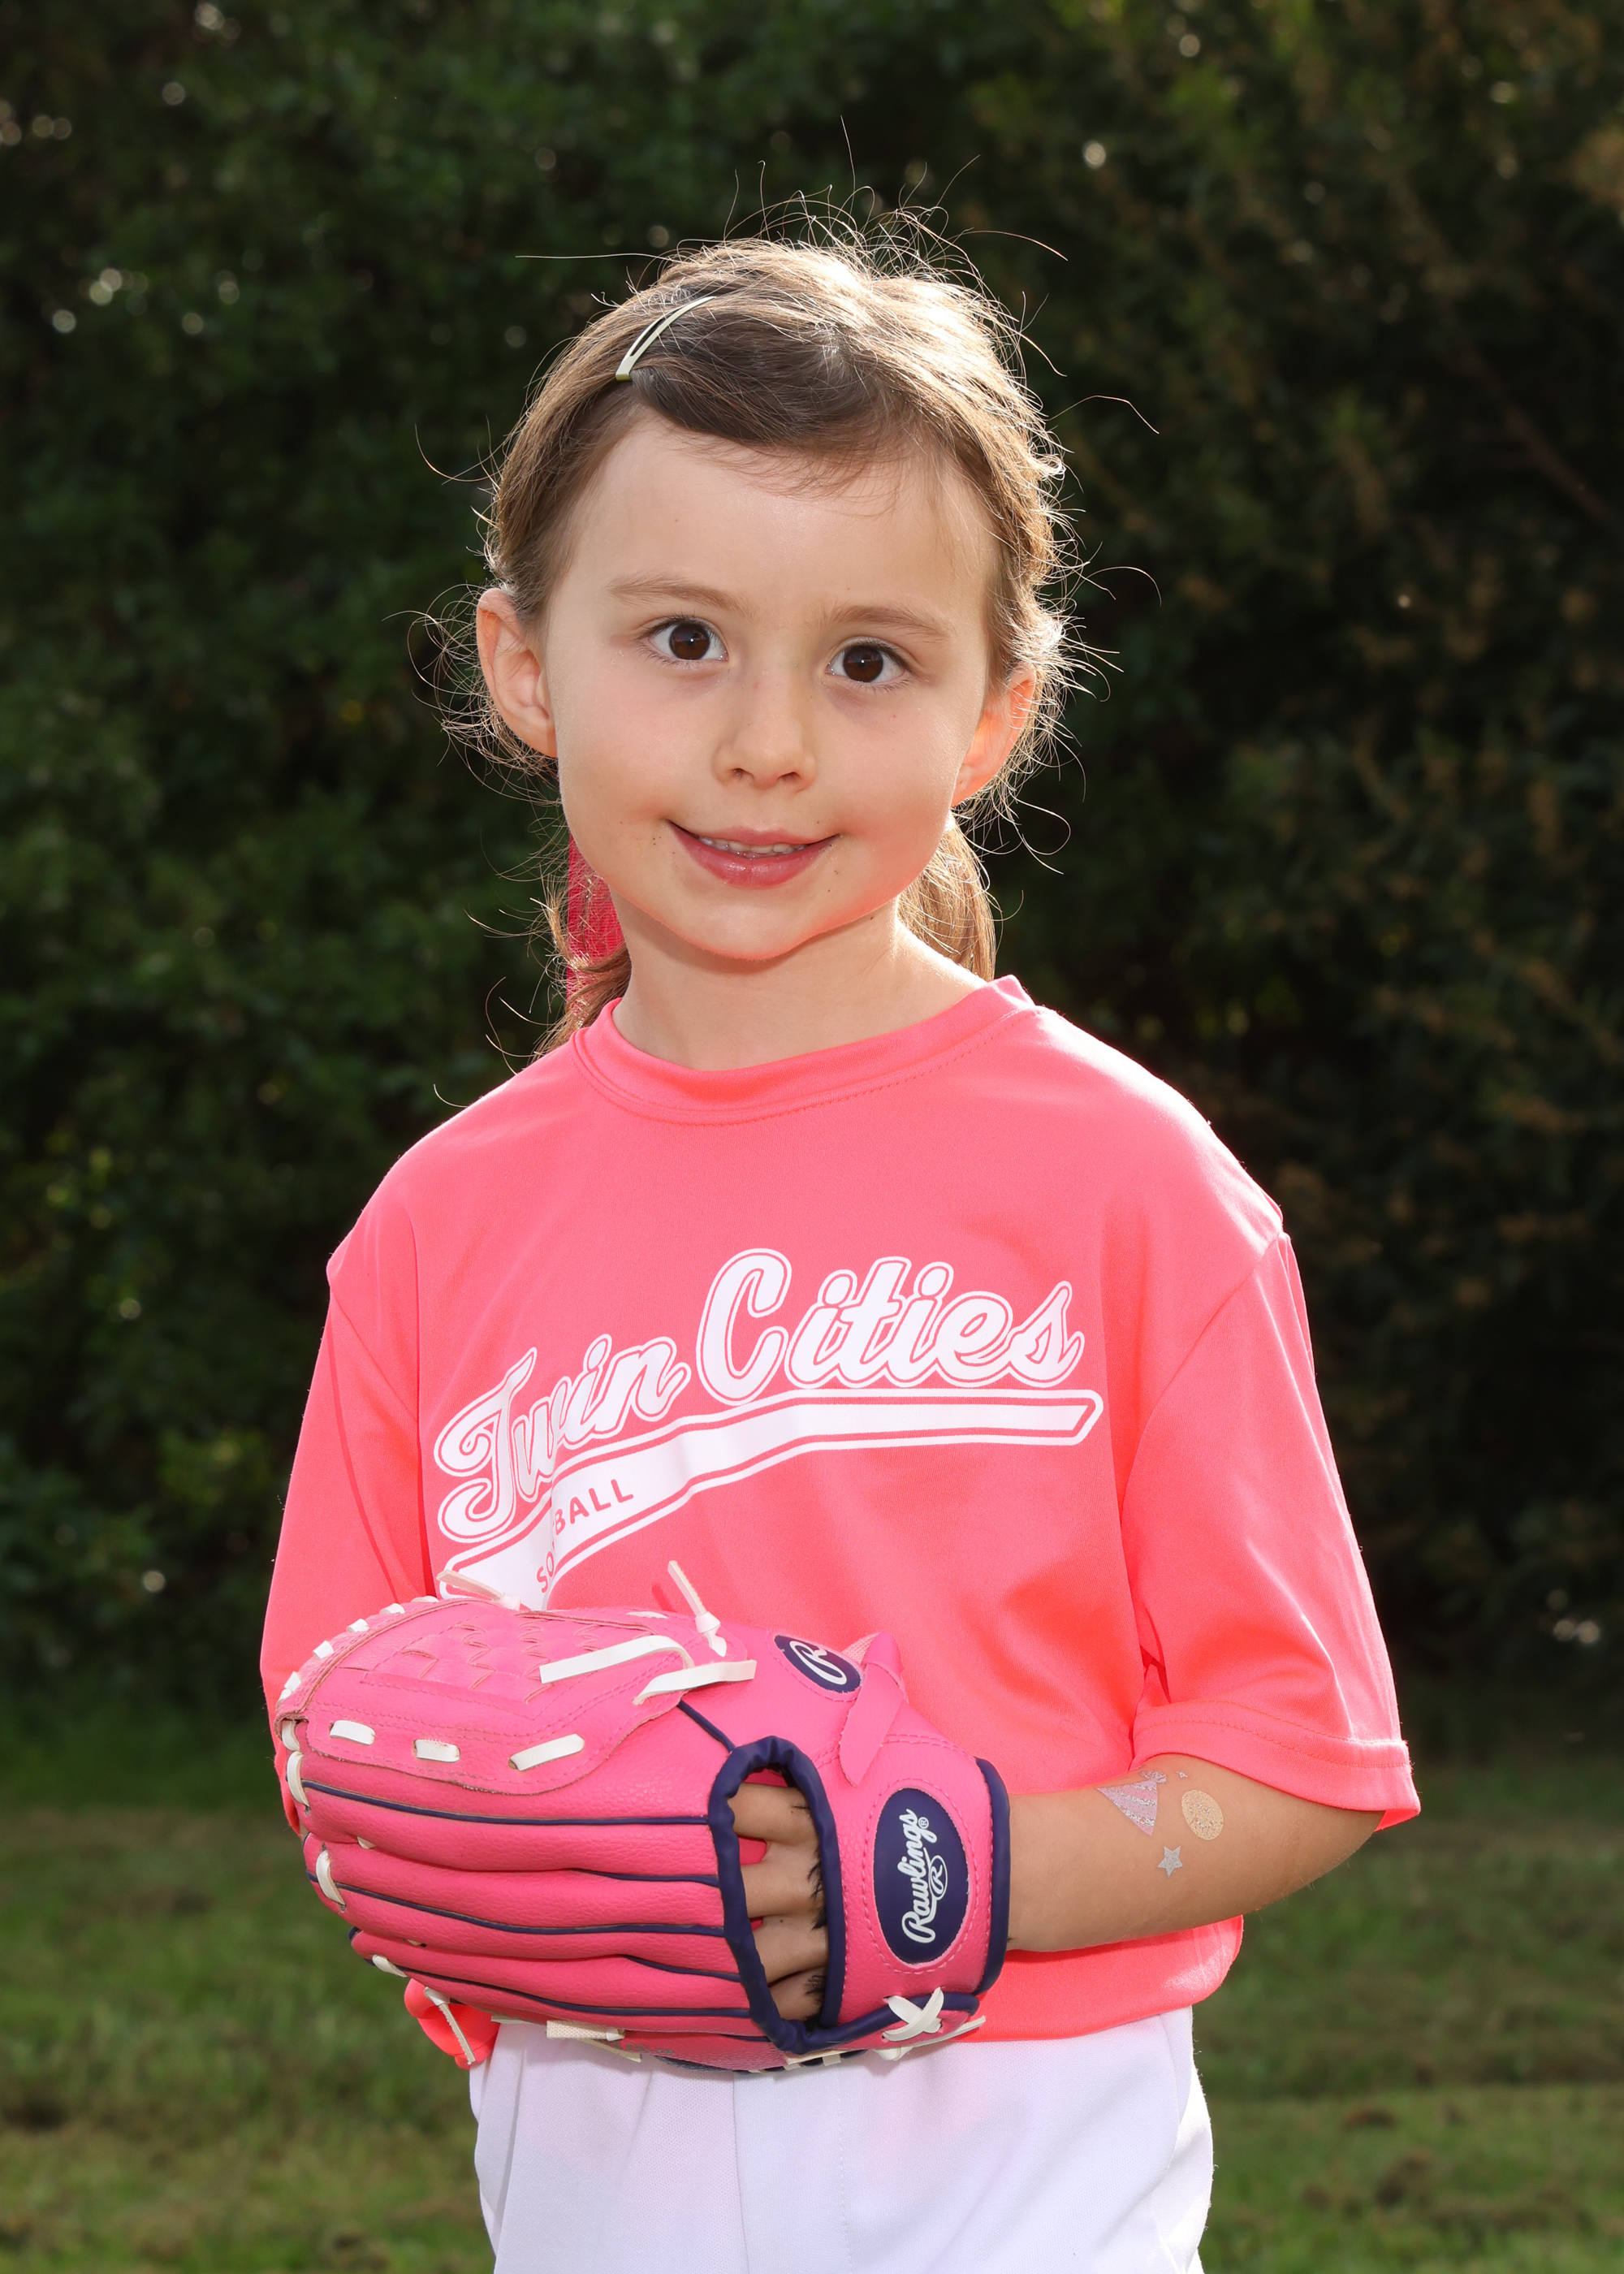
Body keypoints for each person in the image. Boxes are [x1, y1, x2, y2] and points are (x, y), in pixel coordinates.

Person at [261, 227, 1419, 2274]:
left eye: (867, 659)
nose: (768, 740)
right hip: (597, 2159)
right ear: (524, 664)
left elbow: (1296, 1749)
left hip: (1023, 2170)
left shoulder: (1125, 1180)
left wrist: (944, 1867)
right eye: (681, 637)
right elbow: (338, 1729)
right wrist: (495, 1850)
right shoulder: (441, 1228)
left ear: (996, 713)